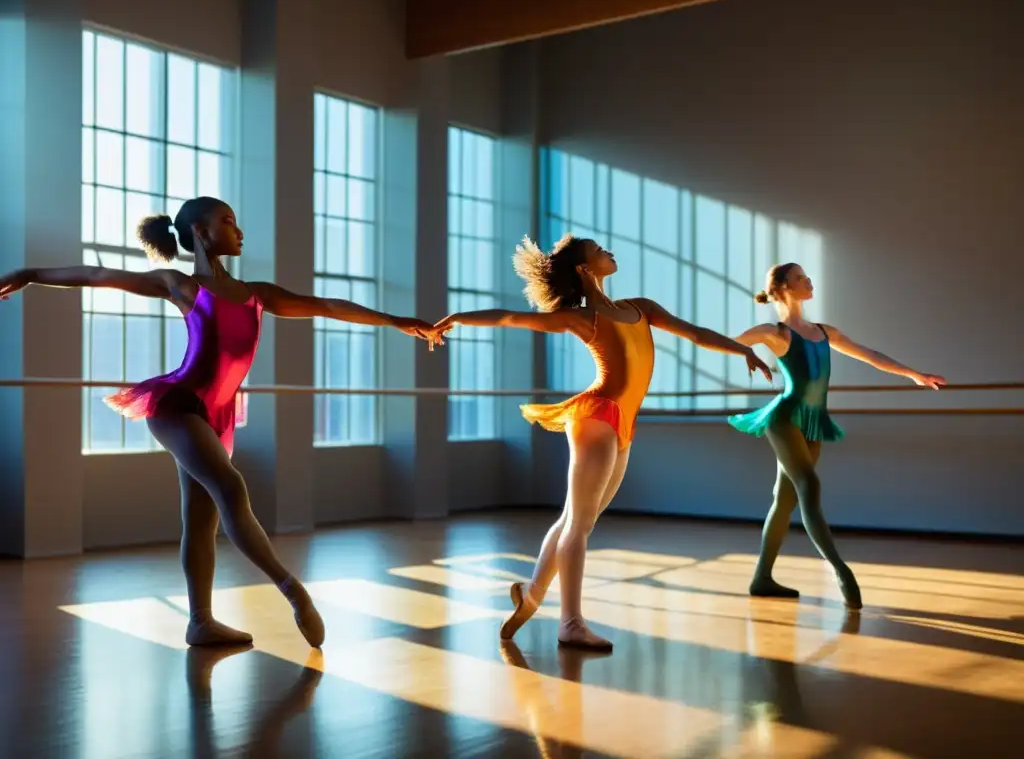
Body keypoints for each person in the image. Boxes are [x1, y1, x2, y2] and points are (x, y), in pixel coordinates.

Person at [0, 196, 440, 647]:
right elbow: (97, 276)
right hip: (178, 405)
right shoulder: (181, 285)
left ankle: (201, 621)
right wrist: (29, 275)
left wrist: (396, 321)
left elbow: (326, 305)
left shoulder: (258, 296)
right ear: (200, 233)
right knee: (230, 489)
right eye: (227, 221)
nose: (239, 230)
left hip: (219, 414)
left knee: (201, 518)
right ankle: (293, 590)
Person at [433, 234, 772, 650]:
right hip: (597, 415)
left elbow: (695, 333)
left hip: (624, 420)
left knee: (579, 518)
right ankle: (570, 623)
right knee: (578, 521)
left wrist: (742, 351)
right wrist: (458, 317)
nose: (608, 251)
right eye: (598, 251)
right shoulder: (581, 316)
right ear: (584, 269)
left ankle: (532, 594)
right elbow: (511, 318)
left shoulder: (640, 308)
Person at [728, 262, 945, 609]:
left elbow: (869, 355)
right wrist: (745, 351)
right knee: (809, 487)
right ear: (784, 286)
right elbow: (728, 341)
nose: (809, 280)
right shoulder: (776, 331)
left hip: (813, 422)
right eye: (801, 278)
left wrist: (914, 374)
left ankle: (762, 578)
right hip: (784, 419)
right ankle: (840, 570)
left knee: (784, 500)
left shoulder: (823, 331)